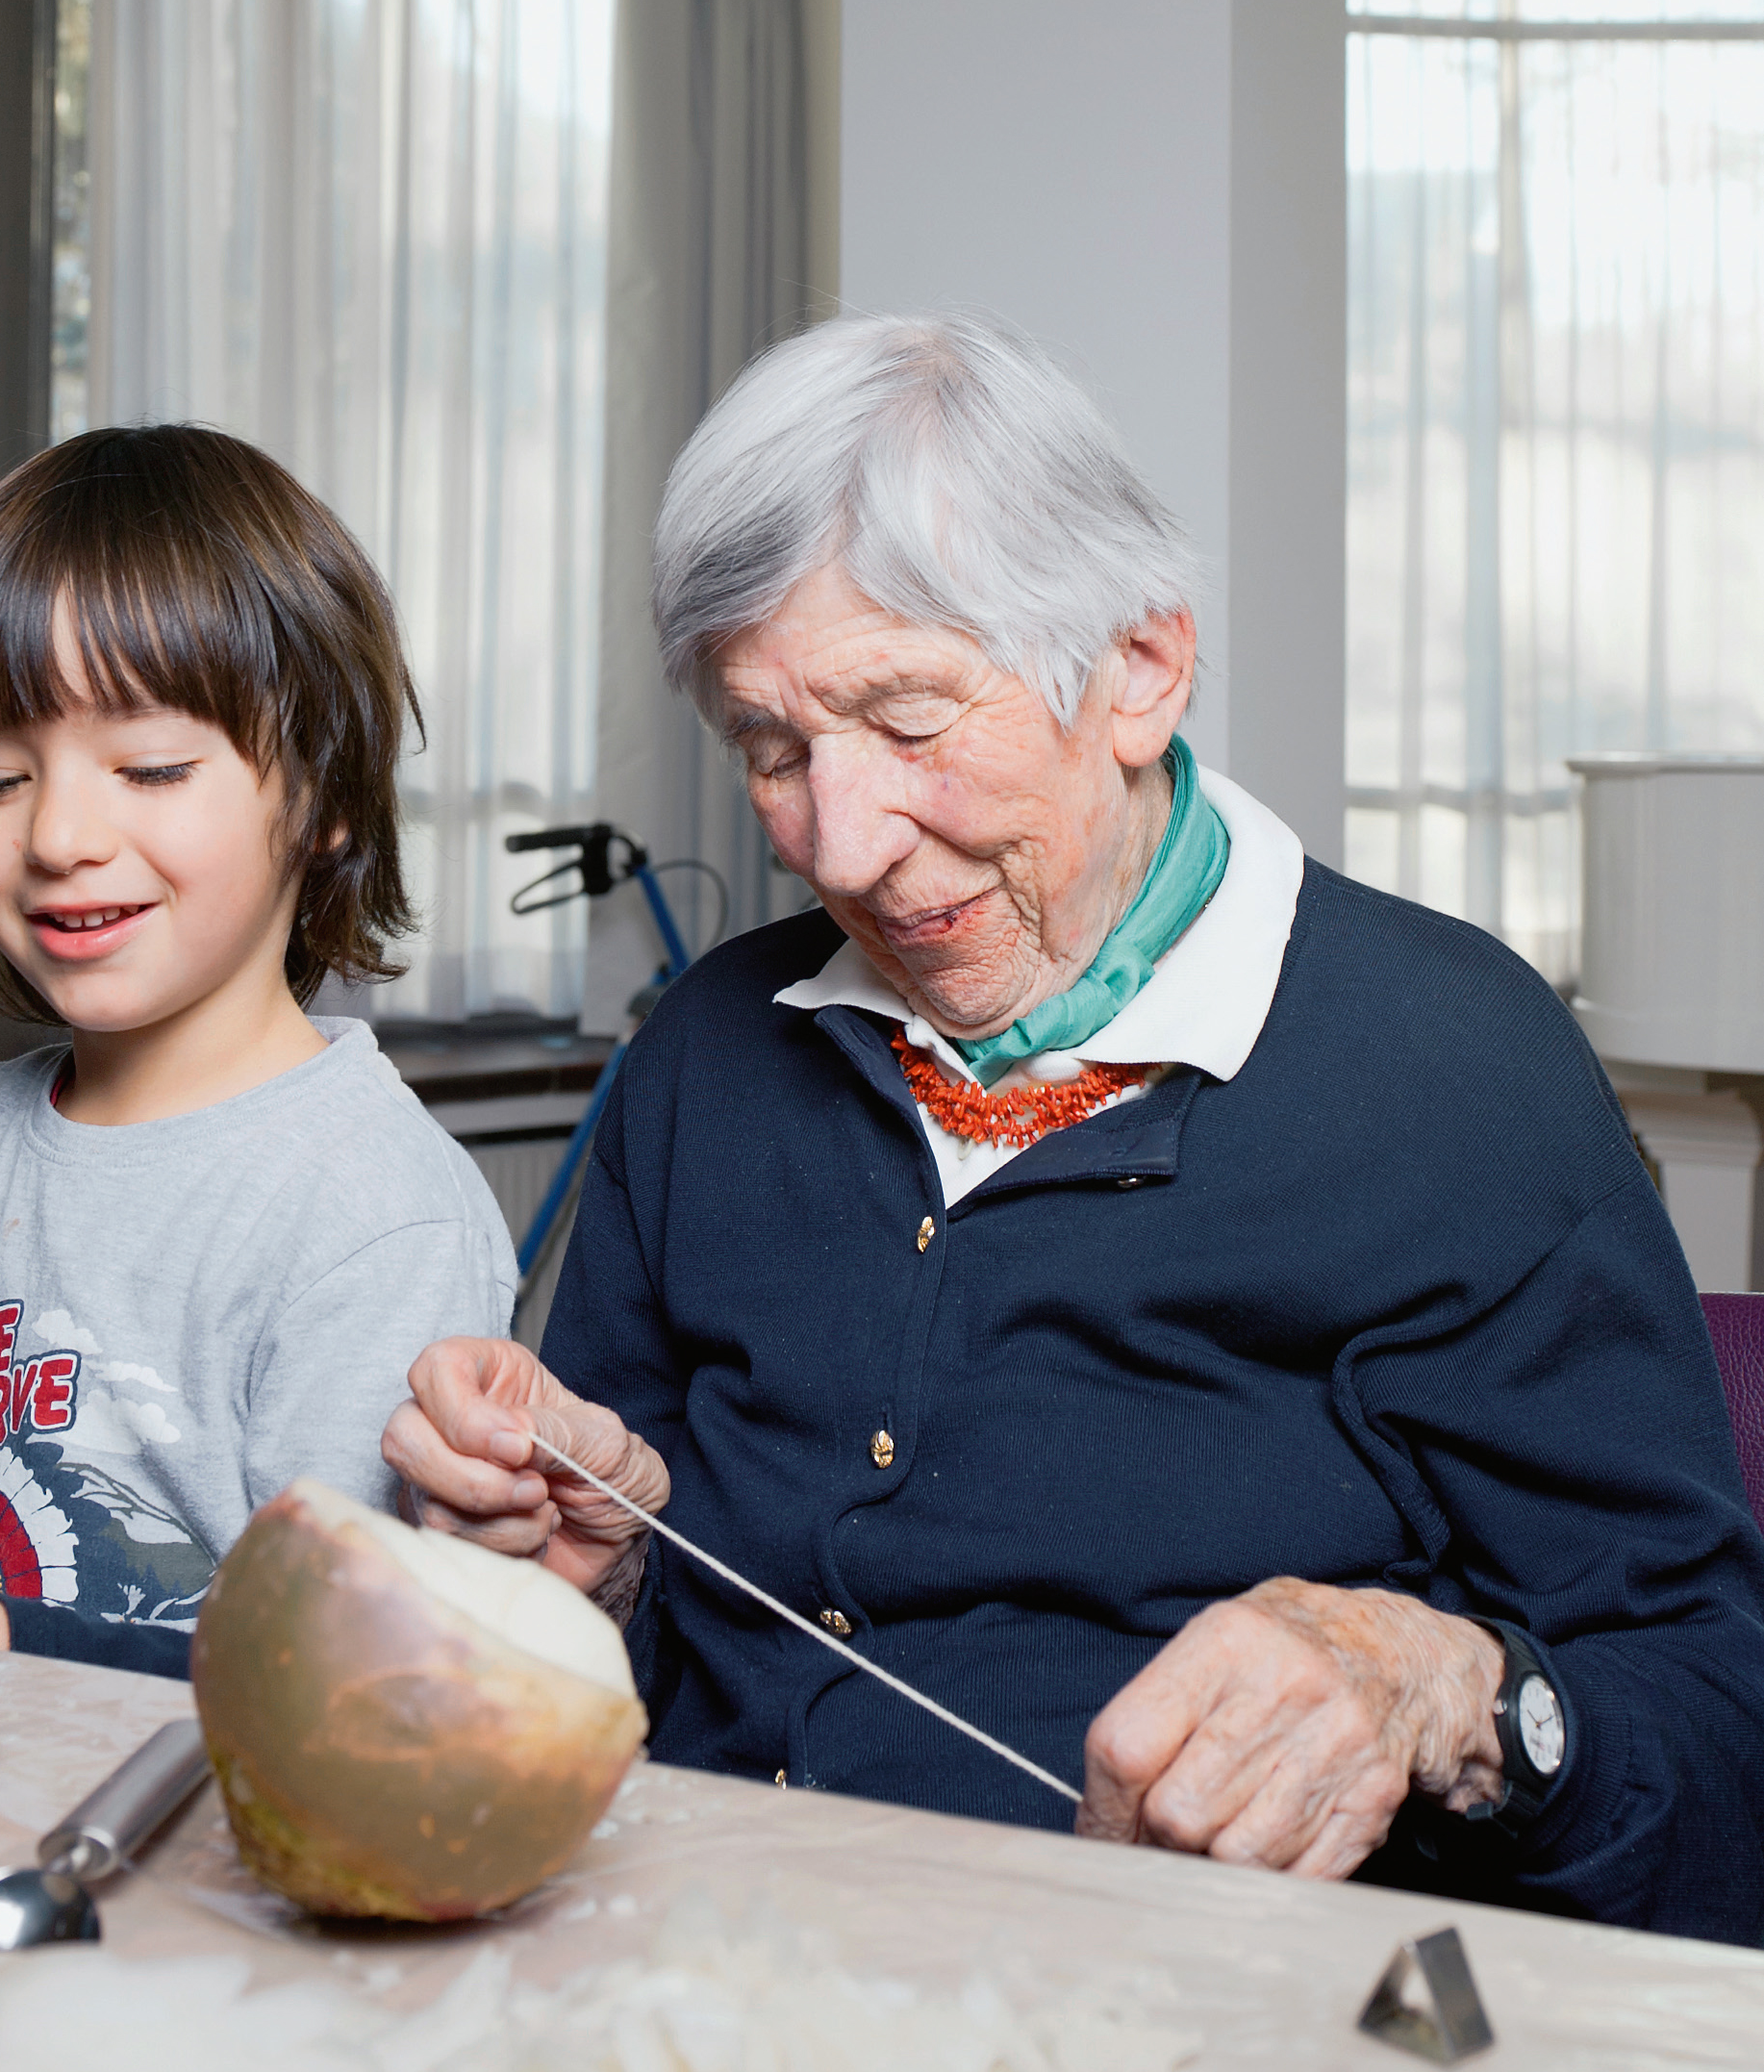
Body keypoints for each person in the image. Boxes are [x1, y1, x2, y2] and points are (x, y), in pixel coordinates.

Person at [388, 311, 1764, 1944]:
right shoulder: (704, 1053)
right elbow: (616, 1655)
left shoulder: (1455, 1068)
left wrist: (1445, 1691)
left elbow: (1710, 1720)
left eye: (906, 723)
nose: (841, 842)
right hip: (677, 1963)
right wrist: (590, 1575)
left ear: (1139, 669)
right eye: (770, 750)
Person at [0, 423, 516, 1670]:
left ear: (327, 803)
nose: (60, 835)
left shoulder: (373, 1212)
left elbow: (340, 1675)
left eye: (147, 766)